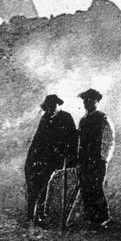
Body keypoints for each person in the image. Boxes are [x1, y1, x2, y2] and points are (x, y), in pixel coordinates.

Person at [24, 94, 78, 224]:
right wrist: (32, 155)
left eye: (53, 106)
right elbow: (38, 138)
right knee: (36, 183)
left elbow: (73, 139)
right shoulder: (45, 118)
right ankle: (36, 213)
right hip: (40, 156)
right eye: (49, 107)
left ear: (58, 105)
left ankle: (37, 213)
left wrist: (70, 156)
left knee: (42, 183)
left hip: (56, 157)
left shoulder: (66, 117)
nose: (51, 109)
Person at [76, 88, 116, 228]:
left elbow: (110, 139)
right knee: (85, 187)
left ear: (97, 102)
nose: (88, 103)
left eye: (91, 100)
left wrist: (104, 158)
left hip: (98, 159)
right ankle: (90, 218)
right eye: (86, 100)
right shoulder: (83, 121)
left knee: (96, 187)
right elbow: (80, 142)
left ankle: (103, 218)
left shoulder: (103, 118)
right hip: (84, 159)